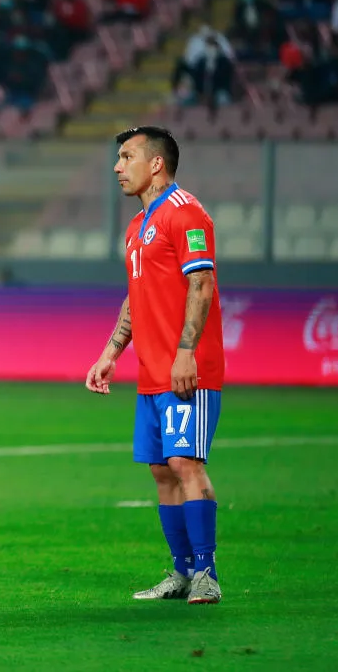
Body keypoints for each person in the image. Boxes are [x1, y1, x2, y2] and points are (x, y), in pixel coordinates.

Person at [85, 126, 224, 605]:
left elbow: (201, 283)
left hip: (189, 369)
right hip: (151, 372)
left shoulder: (186, 213)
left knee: (187, 463)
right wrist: (111, 352)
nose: (118, 167)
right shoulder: (137, 226)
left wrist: (186, 352)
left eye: (126, 156)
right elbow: (135, 296)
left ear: (157, 163)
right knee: (163, 472)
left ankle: (206, 573)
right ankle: (181, 573)